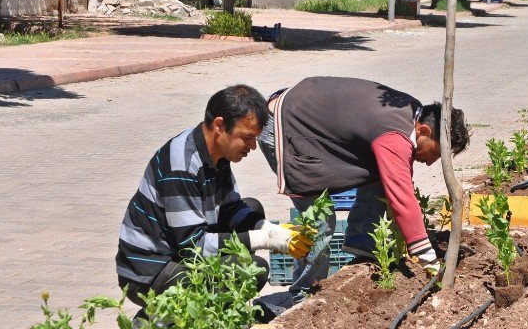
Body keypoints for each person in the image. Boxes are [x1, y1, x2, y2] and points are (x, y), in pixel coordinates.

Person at [258, 76, 470, 297]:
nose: (431, 162)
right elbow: (402, 197)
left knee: (382, 173)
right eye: (435, 153)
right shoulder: (395, 134)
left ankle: (363, 241)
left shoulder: (409, 112)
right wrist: (427, 258)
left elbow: (398, 178)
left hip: (304, 114)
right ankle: (303, 293)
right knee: (320, 220)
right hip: (286, 127)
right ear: (423, 131)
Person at [116, 84, 311, 309]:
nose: (253, 146)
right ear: (219, 125)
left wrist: (270, 228)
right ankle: (155, 323)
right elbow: (193, 247)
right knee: (252, 271)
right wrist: (265, 239)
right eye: (247, 137)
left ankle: (212, 310)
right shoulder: (181, 167)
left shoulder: (216, 153)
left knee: (251, 209)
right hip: (149, 272)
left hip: (177, 251)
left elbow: (231, 208)